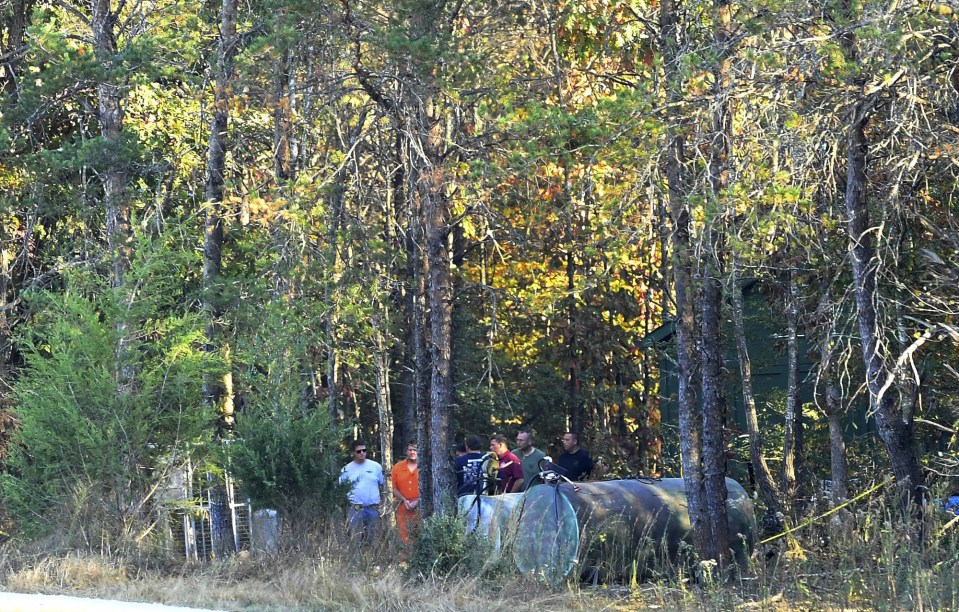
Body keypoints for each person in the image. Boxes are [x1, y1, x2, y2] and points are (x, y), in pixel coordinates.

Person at [339, 440, 384, 542]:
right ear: (353, 453)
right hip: (355, 509)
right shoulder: (346, 469)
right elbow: (341, 490)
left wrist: (383, 504)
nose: (362, 453)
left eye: (364, 450)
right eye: (359, 451)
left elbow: (383, 485)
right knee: (355, 539)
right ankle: (356, 558)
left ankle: (374, 557)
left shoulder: (376, 466)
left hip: (373, 508)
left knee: (374, 539)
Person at [391, 441, 420, 544]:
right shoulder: (397, 467)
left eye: (415, 450)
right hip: (403, 507)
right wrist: (405, 500)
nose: (412, 452)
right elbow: (394, 488)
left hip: (422, 507)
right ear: (406, 451)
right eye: (410, 450)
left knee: (421, 536)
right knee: (404, 538)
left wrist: (418, 501)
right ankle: (405, 559)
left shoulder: (424, 467)